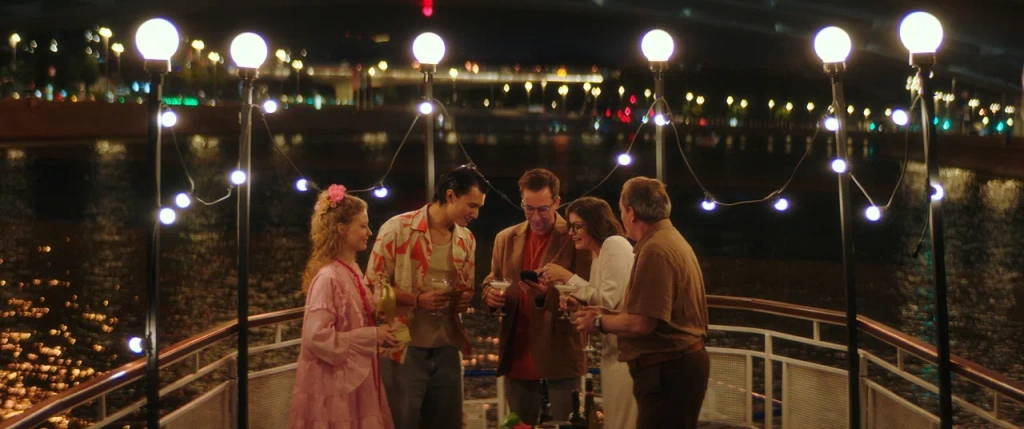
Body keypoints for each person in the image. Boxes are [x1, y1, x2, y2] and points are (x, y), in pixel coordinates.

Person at [574, 177, 710, 429]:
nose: (621, 217)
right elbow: (650, 310)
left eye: (621, 210)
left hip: (667, 370)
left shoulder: (655, 250)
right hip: (678, 365)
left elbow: (642, 323)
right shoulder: (670, 239)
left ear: (631, 212)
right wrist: (608, 313)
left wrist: (599, 321)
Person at [366, 165, 488, 429]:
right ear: (450, 196)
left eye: (479, 207)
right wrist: (417, 300)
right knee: (402, 421)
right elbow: (372, 288)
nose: (476, 214)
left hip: (447, 346)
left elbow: (466, 288)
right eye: (472, 205)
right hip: (402, 346)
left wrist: (463, 300)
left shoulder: (466, 239)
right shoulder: (397, 229)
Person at [482, 168, 592, 424]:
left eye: (542, 209)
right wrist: (489, 295)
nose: (535, 216)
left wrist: (545, 296)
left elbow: (587, 294)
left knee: (567, 424)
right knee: (519, 424)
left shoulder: (575, 238)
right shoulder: (505, 238)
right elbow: (491, 279)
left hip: (560, 351)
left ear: (557, 202)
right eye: (528, 208)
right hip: (517, 351)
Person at [289, 185, 399, 429]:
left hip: (352, 383)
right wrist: (373, 335)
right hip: (335, 390)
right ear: (342, 229)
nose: (369, 232)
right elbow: (317, 337)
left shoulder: (351, 269)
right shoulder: (328, 277)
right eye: (362, 226)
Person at [538, 196, 638, 429]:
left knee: (623, 421)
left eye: (577, 226)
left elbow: (609, 300)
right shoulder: (597, 255)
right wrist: (578, 308)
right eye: (571, 226)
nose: (571, 233)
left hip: (626, 351)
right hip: (613, 350)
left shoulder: (614, 244)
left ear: (596, 224)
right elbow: (599, 303)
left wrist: (568, 278)